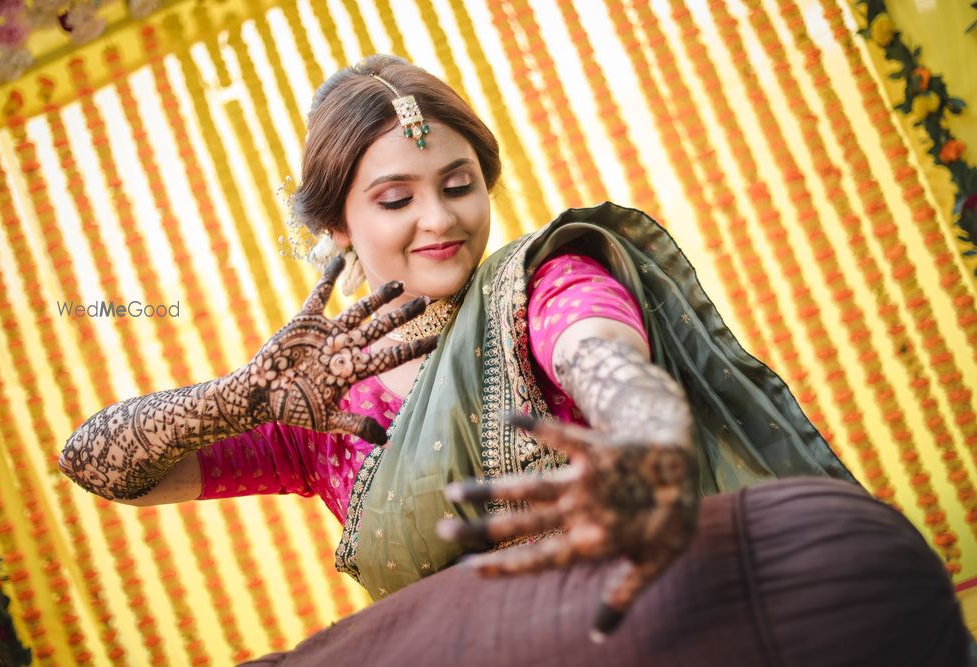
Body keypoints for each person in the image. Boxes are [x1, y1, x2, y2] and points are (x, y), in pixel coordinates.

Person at [59, 55, 969, 665]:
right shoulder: (322, 409)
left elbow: (604, 355)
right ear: (338, 227)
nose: (441, 219)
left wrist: (648, 441)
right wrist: (235, 400)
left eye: (459, 186)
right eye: (395, 198)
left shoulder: (538, 286)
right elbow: (97, 462)